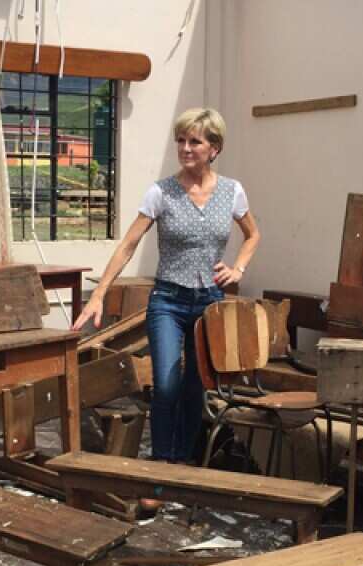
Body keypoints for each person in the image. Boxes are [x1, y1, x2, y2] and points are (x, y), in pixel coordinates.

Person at [73, 107, 260, 468]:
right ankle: (160, 465)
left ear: (214, 148)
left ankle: (182, 463)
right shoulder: (161, 192)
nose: (185, 148)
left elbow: (253, 235)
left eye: (194, 141)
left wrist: (239, 267)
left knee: (196, 386)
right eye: (181, 140)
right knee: (166, 384)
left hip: (210, 303)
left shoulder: (232, 191)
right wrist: (98, 295)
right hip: (168, 302)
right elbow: (128, 245)